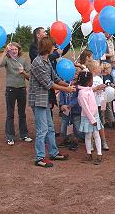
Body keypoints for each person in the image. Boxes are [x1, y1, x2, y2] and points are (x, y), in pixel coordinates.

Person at [29, 36, 74, 168]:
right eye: (53, 46)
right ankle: (39, 158)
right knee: (42, 130)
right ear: (48, 47)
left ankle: (54, 153)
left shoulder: (47, 60)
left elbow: (55, 77)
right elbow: (48, 84)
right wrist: (66, 88)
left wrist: (68, 85)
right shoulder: (37, 63)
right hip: (38, 100)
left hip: (45, 100)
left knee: (50, 128)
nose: (55, 48)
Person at [0, 42, 32, 146]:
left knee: (22, 113)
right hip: (10, 90)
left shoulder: (23, 60)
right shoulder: (7, 60)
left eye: (15, 49)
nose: (14, 51)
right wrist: (4, 52)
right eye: (11, 49)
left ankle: (24, 134)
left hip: (21, 89)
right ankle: (10, 137)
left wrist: (23, 73)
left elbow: (30, 77)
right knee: (10, 114)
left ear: (18, 50)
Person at [77, 70, 103, 165]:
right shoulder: (82, 93)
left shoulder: (89, 89)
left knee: (96, 135)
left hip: (94, 116)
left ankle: (99, 154)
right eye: (92, 79)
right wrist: (92, 119)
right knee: (88, 136)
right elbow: (85, 108)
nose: (93, 81)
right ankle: (89, 154)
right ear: (88, 82)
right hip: (89, 118)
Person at [58, 68, 84, 151]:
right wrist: (62, 105)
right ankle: (67, 140)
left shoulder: (79, 86)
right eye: (74, 72)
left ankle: (76, 141)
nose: (74, 74)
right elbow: (61, 94)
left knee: (77, 129)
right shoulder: (65, 84)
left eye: (77, 73)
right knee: (63, 129)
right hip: (65, 111)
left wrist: (70, 105)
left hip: (76, 111)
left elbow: (78, 97)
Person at [90, 61, 110, 150]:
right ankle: (91, 142)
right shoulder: (89, 78)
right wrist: (97, 88)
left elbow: (102, 93)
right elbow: (87, 90)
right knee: (90, 124)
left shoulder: (99, 78)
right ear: (94, 69)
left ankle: (103, 141)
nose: (100, 69)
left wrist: (103, 104)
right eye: (98, 67)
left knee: (101, 123)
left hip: (99, 104)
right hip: (91, 105)